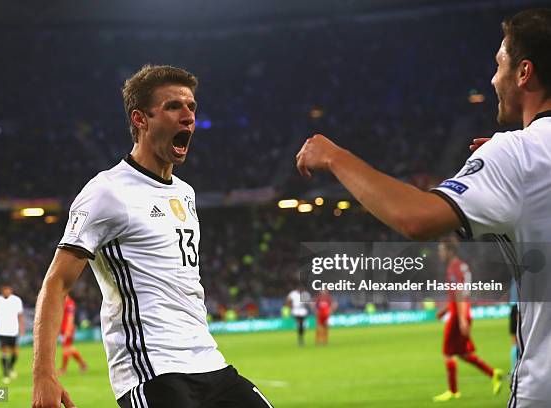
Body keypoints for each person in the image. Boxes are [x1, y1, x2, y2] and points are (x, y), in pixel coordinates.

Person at [295, 8, 551, 407]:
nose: (492, 78)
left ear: (524, 73)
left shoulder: (519, 154)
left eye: (500, 64)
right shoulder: (524, 160)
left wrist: (334, 157)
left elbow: (417, 219)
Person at [32, 65, 273, 408]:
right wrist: (44, 374)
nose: (188, 116)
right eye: (174, 106)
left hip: (210, 362)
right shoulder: (107, 192)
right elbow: (57, 282)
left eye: (191, 107)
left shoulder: (186, 193)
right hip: (153, 372)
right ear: (141, 119)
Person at [433, 240, 503, 402]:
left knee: (448, 354)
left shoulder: (455, 268)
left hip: (458, 315)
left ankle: (453, 391)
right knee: (463, 354)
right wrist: (444, 310)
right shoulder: (459, 267)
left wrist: (462, 319)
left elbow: (461, 295)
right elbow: (457, 295)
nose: (440, 253)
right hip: (458, 312)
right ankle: (493, 373)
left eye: (441, 250)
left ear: (450, 251)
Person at [0, 284, 24, 384]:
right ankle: (5, 374)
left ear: (11, 290)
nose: (7, 291)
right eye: (5, 290)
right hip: (1, 330)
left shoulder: (16, 300)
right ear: (2, 290)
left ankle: (10, 367)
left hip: (13, 330)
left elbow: (20, 316)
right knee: (4, 352)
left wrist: (22, 328)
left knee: (15, 352)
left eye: (8, 289)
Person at [57, 294, 88, 376]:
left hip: (68, 328)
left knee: (66, 348)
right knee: (70, 348)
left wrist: (68, 329)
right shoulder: (62, 302)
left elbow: (71, 317)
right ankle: (83, 365)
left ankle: (63, 369)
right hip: (64, 329)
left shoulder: (69, 303)